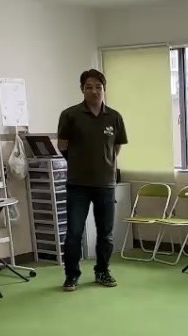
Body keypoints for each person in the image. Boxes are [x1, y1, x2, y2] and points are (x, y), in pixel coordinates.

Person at [57, 69, 128, 292]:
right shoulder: (69, 115)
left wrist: (103, 164)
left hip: (105, 184)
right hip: (77, 184)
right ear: (82, 90)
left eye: (98, 87)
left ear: (104, 89)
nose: (94, 91)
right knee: (74, 233)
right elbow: (62, 146)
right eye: (89, 87)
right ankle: (72, 275)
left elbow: (115, 147)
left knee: (105, 233)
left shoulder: (114, 117)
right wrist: (80, 163)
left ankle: (102, 271)